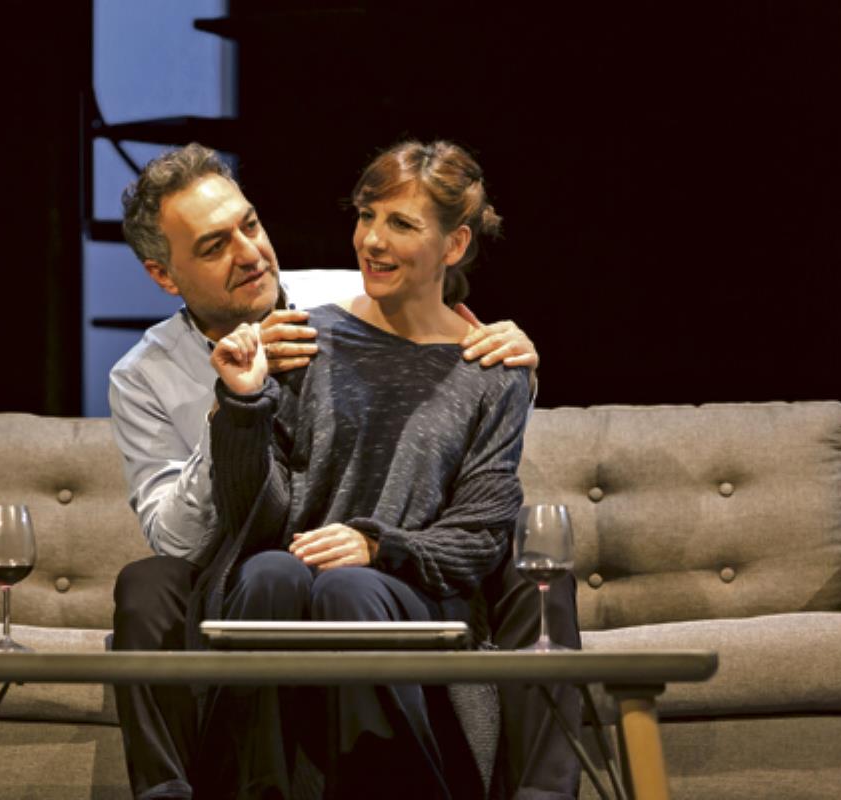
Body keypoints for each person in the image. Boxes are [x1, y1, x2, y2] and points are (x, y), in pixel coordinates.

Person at [108, 143, 579, 799]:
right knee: (166, 582)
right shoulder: (143, 376)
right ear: (165, 274)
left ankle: (541, 789)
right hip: (247, 553)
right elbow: (182, 539)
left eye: (250, 225)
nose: (249, 253)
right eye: (215, 246)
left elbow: (456, 365)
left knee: (529, 548)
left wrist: (517, 360)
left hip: (399, 556)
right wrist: (237, 404)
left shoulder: (351, 290)